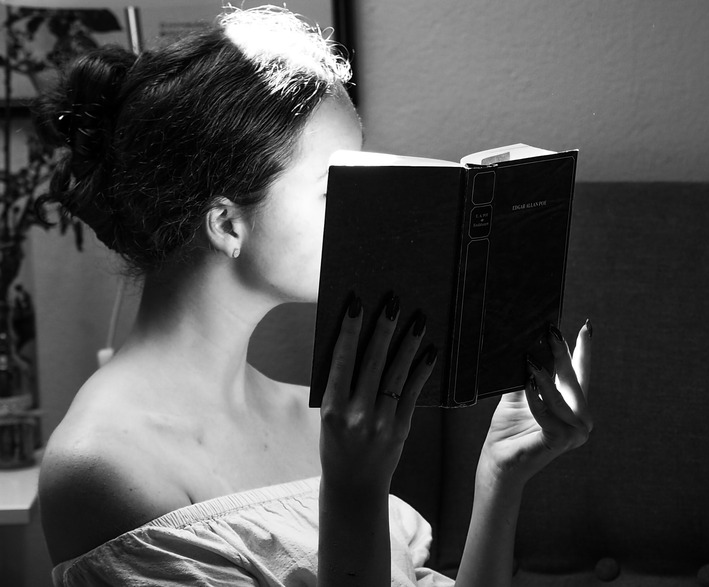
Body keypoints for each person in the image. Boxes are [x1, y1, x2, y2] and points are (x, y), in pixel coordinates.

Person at [35, 6, 594, 587]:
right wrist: (352, 495)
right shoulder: (103, 469)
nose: (375, 215)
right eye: (336, 189)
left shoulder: (315, 420)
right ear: (227, 224)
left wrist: (500, 477)